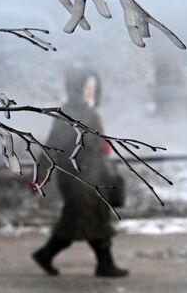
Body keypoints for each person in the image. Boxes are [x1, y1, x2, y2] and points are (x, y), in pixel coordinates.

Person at [32, 67, 129, 278]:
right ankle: (103, 264)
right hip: (77, 178)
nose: (91, 92)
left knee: (85, 220)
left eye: (93, 87)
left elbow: (99, 143)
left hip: (95, 175)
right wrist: (39, 175)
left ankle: (47, 254)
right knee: (88, 219)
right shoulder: (68, 115)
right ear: (76, 89)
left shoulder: (90, 112)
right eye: (87, 87)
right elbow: (52, 147)